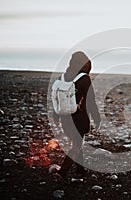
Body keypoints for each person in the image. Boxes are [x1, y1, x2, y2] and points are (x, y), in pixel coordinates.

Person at [53, 51, 101, 182]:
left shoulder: (62, 77)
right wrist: (97, 118)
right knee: (77, 144)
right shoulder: (84, 78)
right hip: (78, 118)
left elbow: (57, 99)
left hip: (64, 116)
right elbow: (91, 100)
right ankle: (63, 172)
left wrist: (55, 115)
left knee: (76, 141)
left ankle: (80, 169)